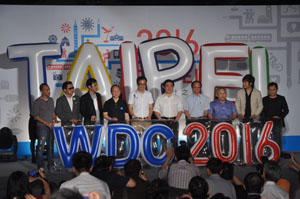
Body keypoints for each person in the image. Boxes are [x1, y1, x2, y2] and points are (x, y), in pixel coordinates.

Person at [32, 83, 57, 170]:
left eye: (49, 89)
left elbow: (53, 113)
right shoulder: (37, 102)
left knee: (51, 146)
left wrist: (55, 120)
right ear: (42, 91)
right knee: (40, 147)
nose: (49, 91)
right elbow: (36, 116)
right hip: (42, 127)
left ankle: (51, 164)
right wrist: (47, 123)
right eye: (46, 89)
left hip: (51, 126)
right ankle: (40, 166)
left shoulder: (51, 100)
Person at [154, 79, 183, 147]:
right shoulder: (160, 98)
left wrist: (177, 118)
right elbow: (156, 110)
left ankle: (174, 155)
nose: (169, 88)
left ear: (173, 87)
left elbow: (180, 109)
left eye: (171, 86)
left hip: (174, 121)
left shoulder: (177, 98)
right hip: (163, 121)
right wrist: (160, 118)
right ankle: (164, 156)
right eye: (167, 86)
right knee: (163, 139)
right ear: (164, 87)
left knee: (174, 139)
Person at [262, 82, 289, 149]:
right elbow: (262, 112)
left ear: (277, 90)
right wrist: (266, 119)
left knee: (277, 139)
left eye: (273, 90)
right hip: (267, 122)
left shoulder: (281, 98)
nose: (272, 91)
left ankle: (277, 154)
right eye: (270, 90)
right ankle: (267, 153)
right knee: (267, 138)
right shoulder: (264, 99)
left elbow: (286, 110)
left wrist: (280, 117)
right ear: (268, 90)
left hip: (278, 122)